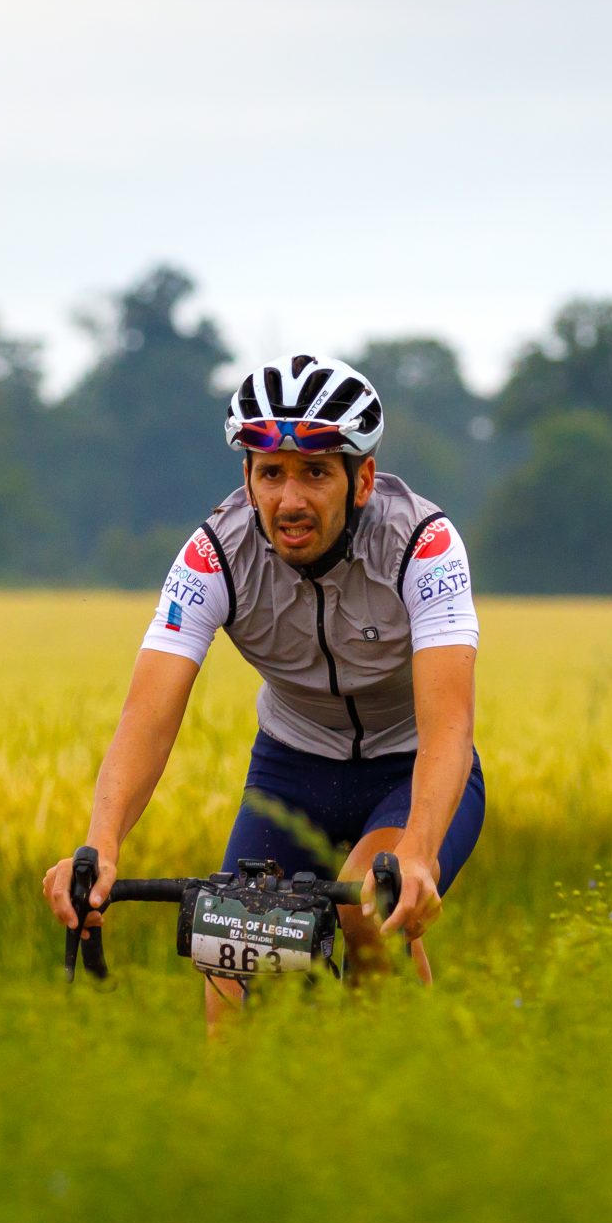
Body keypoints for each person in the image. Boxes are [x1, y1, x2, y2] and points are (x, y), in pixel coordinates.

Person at [40, 355, 486, 1026]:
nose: (290, 499)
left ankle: (414, 1094)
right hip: (292, 768)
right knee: (230, 940)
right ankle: (237, 1118)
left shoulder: (423, 543)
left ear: (361, 478)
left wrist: (418, 851)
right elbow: (148, 715)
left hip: (408, 764)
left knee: (367, 910)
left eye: (315, 472)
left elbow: (449, 726)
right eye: (270, 473)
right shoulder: (213, 553)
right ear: (247, 481)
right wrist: (102, 843)